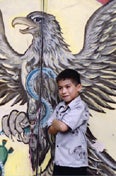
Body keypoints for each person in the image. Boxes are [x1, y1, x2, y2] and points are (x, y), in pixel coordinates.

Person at [47, 69, 89, 176]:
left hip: (75, 164)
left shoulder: (80, 107)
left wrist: (55, 122)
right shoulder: (59, 107)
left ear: (78, 87)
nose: (63, 91)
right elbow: (50, 130)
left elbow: (63, 127)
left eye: (68, 87)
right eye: (60, 88)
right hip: (60, 162)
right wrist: (57, 124)